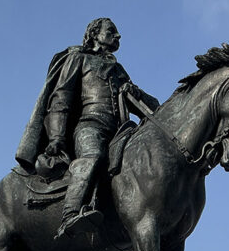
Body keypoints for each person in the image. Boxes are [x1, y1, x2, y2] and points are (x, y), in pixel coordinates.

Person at [16, 18, 159, 238]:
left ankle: (162, 234)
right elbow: (60, 99)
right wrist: (56, 137)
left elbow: (151, 107)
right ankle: (70, 214)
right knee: (93, 155)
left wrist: (137, 93)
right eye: (111, 31)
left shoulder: (118, 70)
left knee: (148, 165)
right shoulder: (78, 59)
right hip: (90, 126)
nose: (118, 35)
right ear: (95, 34)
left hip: (120, 133)